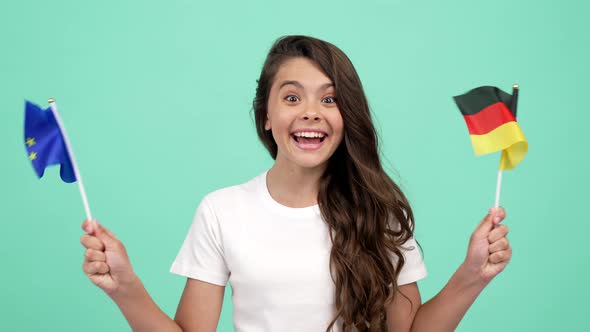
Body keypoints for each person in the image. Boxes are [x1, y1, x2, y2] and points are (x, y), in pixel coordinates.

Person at [80, 35, 511, 332]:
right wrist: (125, 287)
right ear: (266, 117)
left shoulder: (380, 212)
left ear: (348, 116)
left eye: (329, 98)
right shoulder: (222, 211)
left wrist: (472, 274)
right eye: (291, 97)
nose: (310, 111)